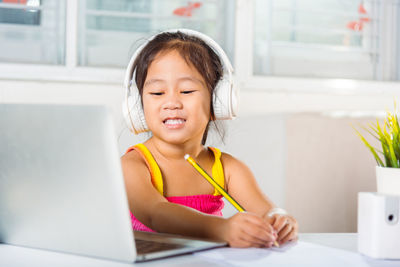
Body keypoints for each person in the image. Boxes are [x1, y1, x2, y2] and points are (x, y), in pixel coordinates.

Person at [121, 29, 298, 248]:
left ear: (217, 103)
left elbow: (266, 211)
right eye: (157, 93)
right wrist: (222, 228)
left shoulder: (227, 168)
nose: (172, 103)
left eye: (186, 91)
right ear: (138, 108)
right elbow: (155, 214)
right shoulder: (132, 165)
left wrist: (279, 220)